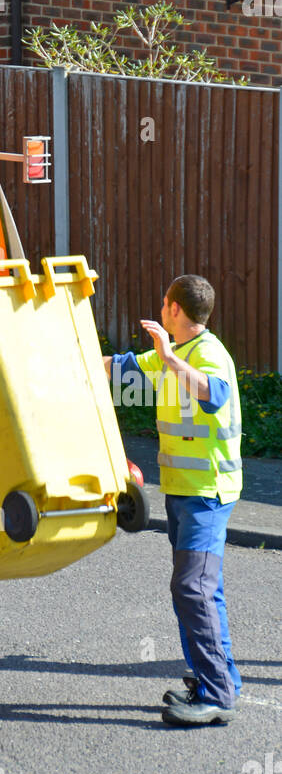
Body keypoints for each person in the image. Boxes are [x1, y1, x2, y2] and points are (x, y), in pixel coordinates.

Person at [103, 274, 242, 726]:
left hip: (207, 494)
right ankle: (218, 680)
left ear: (172, 308)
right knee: (204, 592)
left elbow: (213, 393)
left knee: (192, 590)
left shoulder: (206, 354)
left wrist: (166, 357)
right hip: (184, 492)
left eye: (164, 302)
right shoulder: (176, 352)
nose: (162, 307)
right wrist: (68, 358)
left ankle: (217, 696)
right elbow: (123, 368)